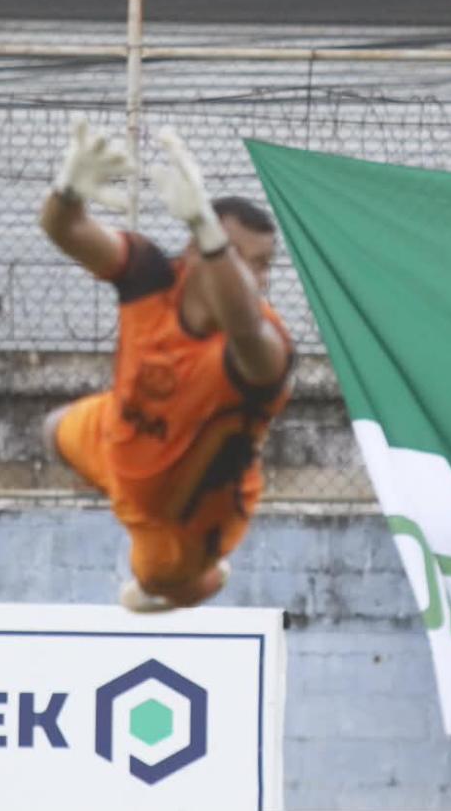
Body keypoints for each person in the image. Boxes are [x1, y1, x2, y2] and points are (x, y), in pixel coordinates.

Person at [38, 120, 295, 611]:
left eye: (265, 265)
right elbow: (64, 230)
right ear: (193, 254)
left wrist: (210, 233)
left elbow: (243, 324)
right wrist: (66, 191)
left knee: (158, 583)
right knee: (50, 429)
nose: (259, 279)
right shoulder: (150, 276)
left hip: (182, 516)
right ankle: (114, 484)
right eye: (248, 261)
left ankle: (201, 579)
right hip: (117, 433)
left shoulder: (265, 347)